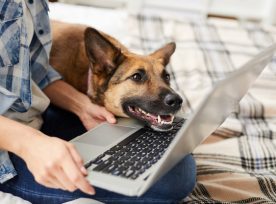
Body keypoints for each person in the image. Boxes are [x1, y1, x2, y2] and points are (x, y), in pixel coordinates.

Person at [0, 0, 196, 203]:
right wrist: (29, 144)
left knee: (173, 161)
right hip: (6, 154)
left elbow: (34, 72)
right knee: (169, 182)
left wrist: (82, 106)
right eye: (138, 78)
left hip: (34, 114)